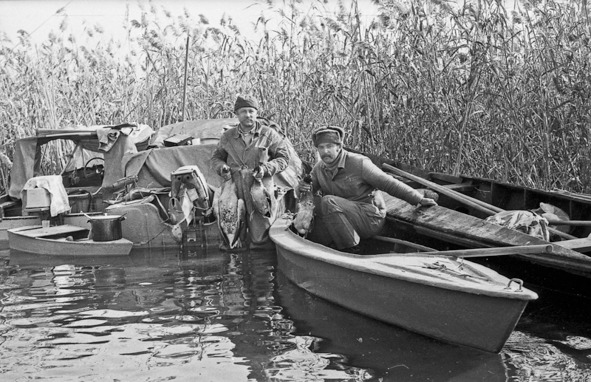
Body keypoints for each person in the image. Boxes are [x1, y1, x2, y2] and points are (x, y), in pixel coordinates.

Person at [298, 125, 438, 253]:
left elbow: (389, 184)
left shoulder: (359, 163)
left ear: (339, 147)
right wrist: (302, 187)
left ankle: (352, 249)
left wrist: (418, 199)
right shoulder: (319, 168)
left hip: (369, 218)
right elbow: (310, 191)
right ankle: (325, 243)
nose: (325, 151)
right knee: (318, 203)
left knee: (328, 201)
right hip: (342, 217)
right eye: (321, 148)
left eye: (329, 146)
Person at [210, 95, 291, 250]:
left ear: (256, 113)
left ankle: (262, 266)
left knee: (261, 234)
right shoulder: (227, 136)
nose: (248, 115)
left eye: (251, 111)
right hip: (233, 186)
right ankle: (235, 265)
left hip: (259, 186)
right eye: (243, 111)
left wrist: (265, 169)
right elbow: (216, 158)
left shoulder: (268, 134)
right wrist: (222, 168)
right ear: (237, 114)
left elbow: (283, 158)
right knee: (232, 232)